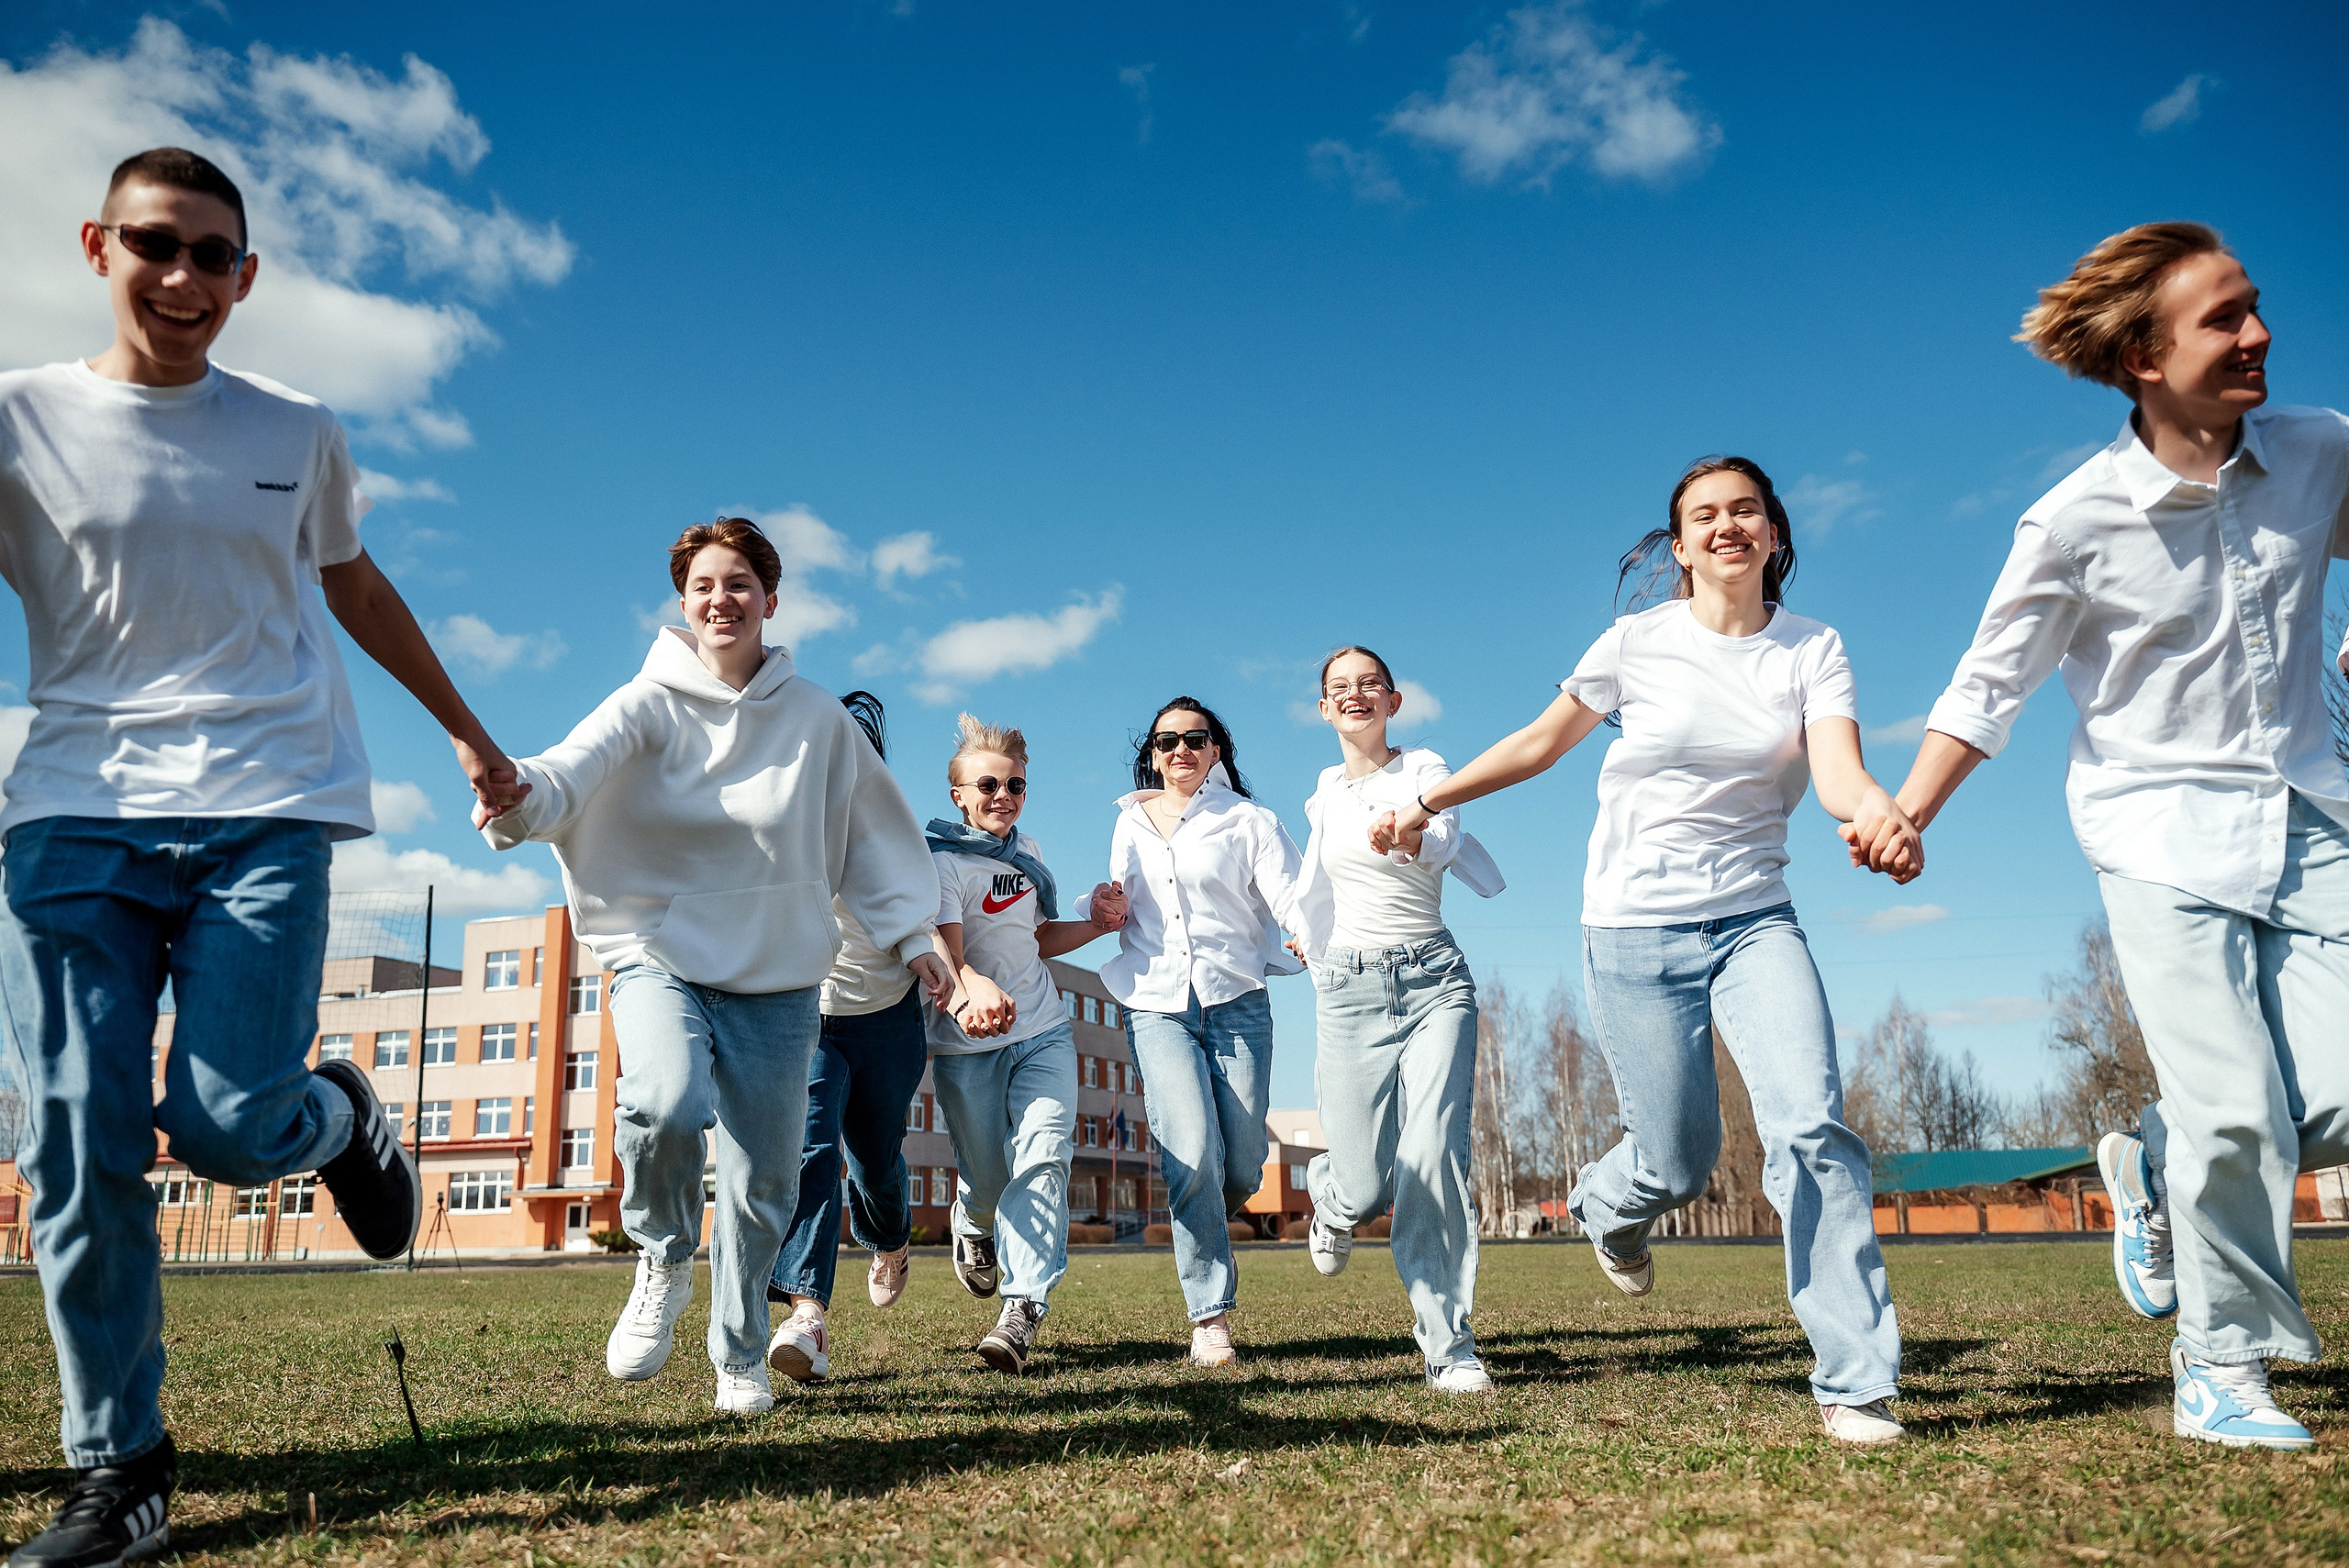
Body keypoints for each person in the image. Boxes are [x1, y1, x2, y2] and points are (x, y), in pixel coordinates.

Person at [0, 147, 526, 1568]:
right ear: (98, 244)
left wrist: (471, 737)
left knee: (227, 1124)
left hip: (267, 807)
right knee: (75, 1141)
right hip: (71, 813)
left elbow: (353, 581)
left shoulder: (295, 428)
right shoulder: (19, 419)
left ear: (248, 275)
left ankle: (336, 1117)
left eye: (214, 257)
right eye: (156, 246)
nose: (184, 281)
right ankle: (125, 1466)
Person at [1884, 223, 2349, 1451]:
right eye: (2224, 318)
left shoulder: (2320, 453)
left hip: (2310, 812)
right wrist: (1907, 810)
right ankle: (2221, 1367)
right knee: (2239, 1108)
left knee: (2315, 1095)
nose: (2258, 334)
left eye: (2255, 306)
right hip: (2157, 835)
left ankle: (2149, 1156)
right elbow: (1988, 687)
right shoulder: (2073, 522)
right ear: (2146, 355)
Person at [1377, 457, 1917, 1442]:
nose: (1726, 526)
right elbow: (1541, 743)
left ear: (1774, 531)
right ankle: (1605, 1201)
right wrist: (1424, 799)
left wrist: (1876, 807)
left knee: (1810, 1128)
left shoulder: (1811, 647)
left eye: (1744, 510)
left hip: (1757, 918)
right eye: (1704, 515)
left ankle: (1855, 1378)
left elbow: (1838, 769)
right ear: (1678, 545)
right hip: (1629, 924)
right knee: (1676, 1157)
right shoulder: (1637, 642)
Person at [479, 518, 941, 1417]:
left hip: (775, 979)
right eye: (702, 585)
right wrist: (514, 794)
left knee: (764, 1180)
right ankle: (660, 1256)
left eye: (738, 583)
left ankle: (739, 1353)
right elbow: (565, 776)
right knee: (664, 1099)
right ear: (683, 603)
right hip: (659, 952)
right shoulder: (646, 701)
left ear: (771, 599)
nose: (720, 598)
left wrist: (917, 942)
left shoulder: (816, 722)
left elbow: (874, 838)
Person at [1294, 647, 1506, 1394]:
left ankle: (1449, 1345)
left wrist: (1412, 835)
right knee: (1362, 1183)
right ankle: (1333, 1200)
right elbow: (1312, 884)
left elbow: (1444, 833)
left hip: (1433, 980)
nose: (1355, 695)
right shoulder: (1321, 793)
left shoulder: (1421, 768)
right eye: (1338, 688)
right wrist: (1304, 935)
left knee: (1433, 1152)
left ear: (1393, 700)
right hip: (1348, 989)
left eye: (1368, 685)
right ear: (1324, 708)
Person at [1101, 696, 1310, 1367]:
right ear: (1153, 751)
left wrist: (1304, 928)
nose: (1181, 750)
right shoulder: (1130, 822)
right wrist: (1103, 907)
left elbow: (1291, 891)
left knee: (1241, 1163)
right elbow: (1120, 904)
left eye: (1196, 738)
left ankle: (1205, 1225)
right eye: (1167, 741)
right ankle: (1210, 1316)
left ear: (1216, 749)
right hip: (1157, 1004)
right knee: (1190, 1148)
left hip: (1237, 1001)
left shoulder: (1249, 819)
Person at [925, 714, 1128, 1374]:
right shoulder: (944, 863)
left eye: (1015, 784)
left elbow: (1036, 940)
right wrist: (975, 983)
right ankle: (972, 1219)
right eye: (988, 783)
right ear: (958, 793)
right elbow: (952, 959)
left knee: (1044, 1156)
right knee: (988, 1177)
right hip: (968, 1047)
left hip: (1042, 1030)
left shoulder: (1028, 852)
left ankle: (1022, 1306)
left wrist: (1095, 927)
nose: (1003, 795)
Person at [764, 692, 956, 1385]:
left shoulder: (894, 829)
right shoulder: (785, 820)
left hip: (887, 1018)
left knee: (874, 1158)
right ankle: (807, 1315)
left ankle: (889, 1238)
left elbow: (920, 910)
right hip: (809, 1016)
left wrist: (934, 958)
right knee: (811, 1147)